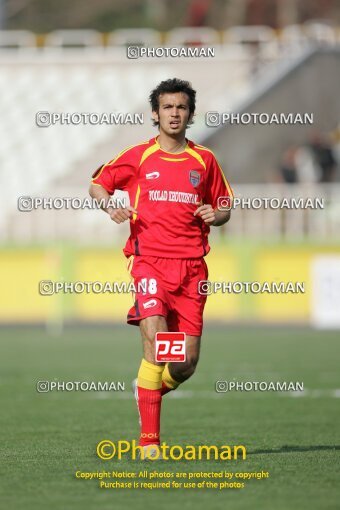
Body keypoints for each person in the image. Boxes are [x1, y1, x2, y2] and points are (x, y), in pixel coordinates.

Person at [89, 78, 233, 458]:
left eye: (181, 108)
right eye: (167, 107)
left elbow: (224, 207)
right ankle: (149, 442)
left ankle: (147, 387)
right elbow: (98, 185)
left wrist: (214, 214)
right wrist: (109, 206)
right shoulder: (138, 156)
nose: (174, 113)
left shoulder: (204, 160)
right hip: (149, 262)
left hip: (192, 270)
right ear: (155, 114)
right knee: (155, 342)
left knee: (184, 363)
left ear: (190, 114)